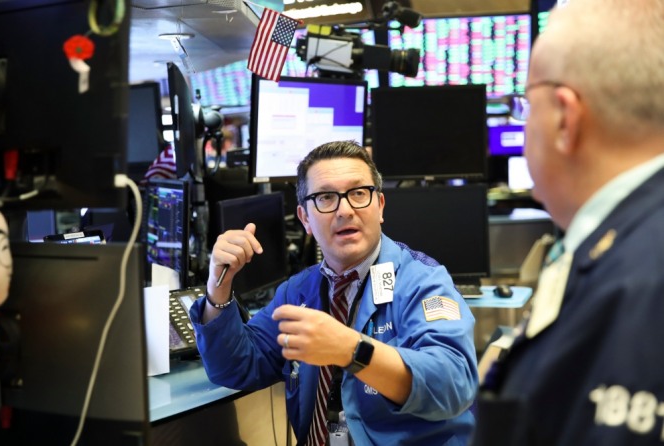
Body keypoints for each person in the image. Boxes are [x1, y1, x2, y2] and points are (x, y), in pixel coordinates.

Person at [190, 140, 478, 445]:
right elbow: (235, 367)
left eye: (358, 193)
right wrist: (218, 285)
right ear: (305, 218)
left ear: (380, 206)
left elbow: (454, 385)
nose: (345, 210)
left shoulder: (421, 282)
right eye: (326, 197)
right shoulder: (298, 292)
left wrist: (352, 350)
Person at [472, 1, 664, 445]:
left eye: (527, 105)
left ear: (565, 118)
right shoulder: (618, 247)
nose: (524, 123)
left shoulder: (638, 283)